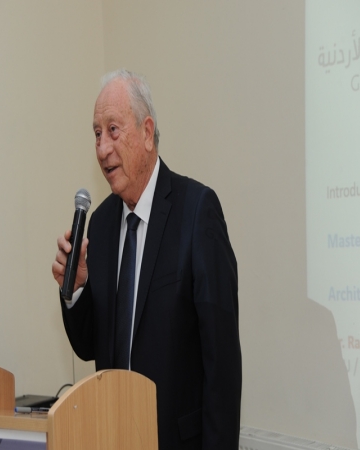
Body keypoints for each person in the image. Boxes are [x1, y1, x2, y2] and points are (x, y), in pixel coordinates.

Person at [52, 69, 241, 449]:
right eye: (97, 134)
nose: (102, 148)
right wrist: (77, 290)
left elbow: (221, 365)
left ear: (147, 132)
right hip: (113, 438)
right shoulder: (101, 224)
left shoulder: (197, 211)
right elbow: (89, 347)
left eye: (113, 130)